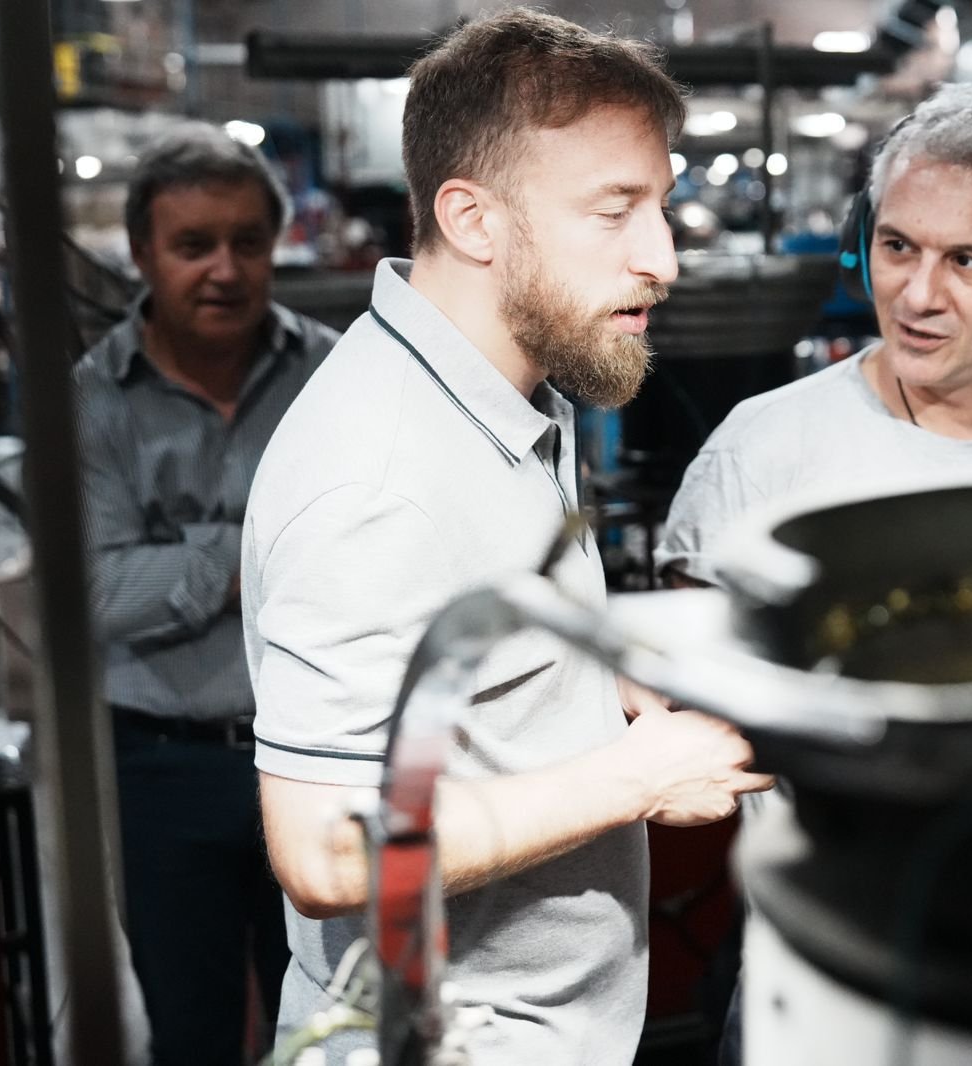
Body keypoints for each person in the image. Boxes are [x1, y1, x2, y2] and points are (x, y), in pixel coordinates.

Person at [242, 10, 773, 1064]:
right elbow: (326, 853)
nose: (663, 259)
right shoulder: (378, 474)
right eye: (614, 213)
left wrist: (593, 673)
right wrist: (637, 776)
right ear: (473, 219)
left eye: (660, 209)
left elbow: (456, 638)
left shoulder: (504, 392)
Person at [74, 123, 338, 1065]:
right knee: (191, 1032)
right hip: (162, 767)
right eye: (193, 245)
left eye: (246, 242)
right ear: (142, 254)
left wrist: (179, 558)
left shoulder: (336, 377)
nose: (224, 270)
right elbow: (97, 590)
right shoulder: (90, 400)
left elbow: (371, 554)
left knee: (333, 1025)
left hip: (323, 747)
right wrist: (270, 547)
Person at [656, 84, 972, 588]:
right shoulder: (764, 447)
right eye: (898, 246)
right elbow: (688, 633)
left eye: (966, 260)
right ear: (861, 242)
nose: (918, 296)